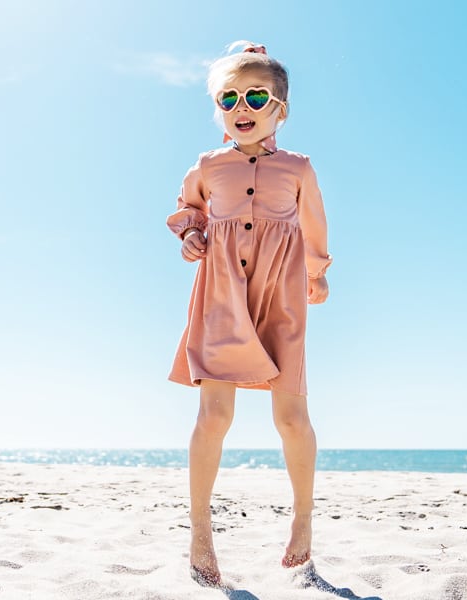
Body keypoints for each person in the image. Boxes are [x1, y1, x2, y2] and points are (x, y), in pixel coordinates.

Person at [166, 41, 332, 587]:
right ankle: (199, 530)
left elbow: (313, 228)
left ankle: (303, 520)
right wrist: (192, 233)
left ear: (280, 108)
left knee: (291, 416)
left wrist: (316, 275)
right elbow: (189, 209)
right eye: (229, 96)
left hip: (281, 294)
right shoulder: (208, 165)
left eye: (256, 95)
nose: (242, 105)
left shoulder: (300, 168)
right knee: (214, 415)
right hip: (221, 293)